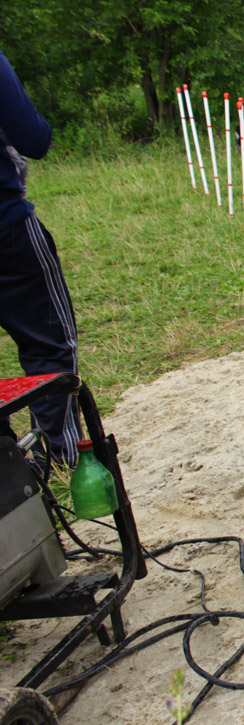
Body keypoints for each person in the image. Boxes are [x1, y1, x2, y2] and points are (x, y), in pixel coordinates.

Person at [0, 49, 82, 470]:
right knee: (50, 350)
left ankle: (12, 479)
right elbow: (34, 138)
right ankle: (59, 466)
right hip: (6, 229)